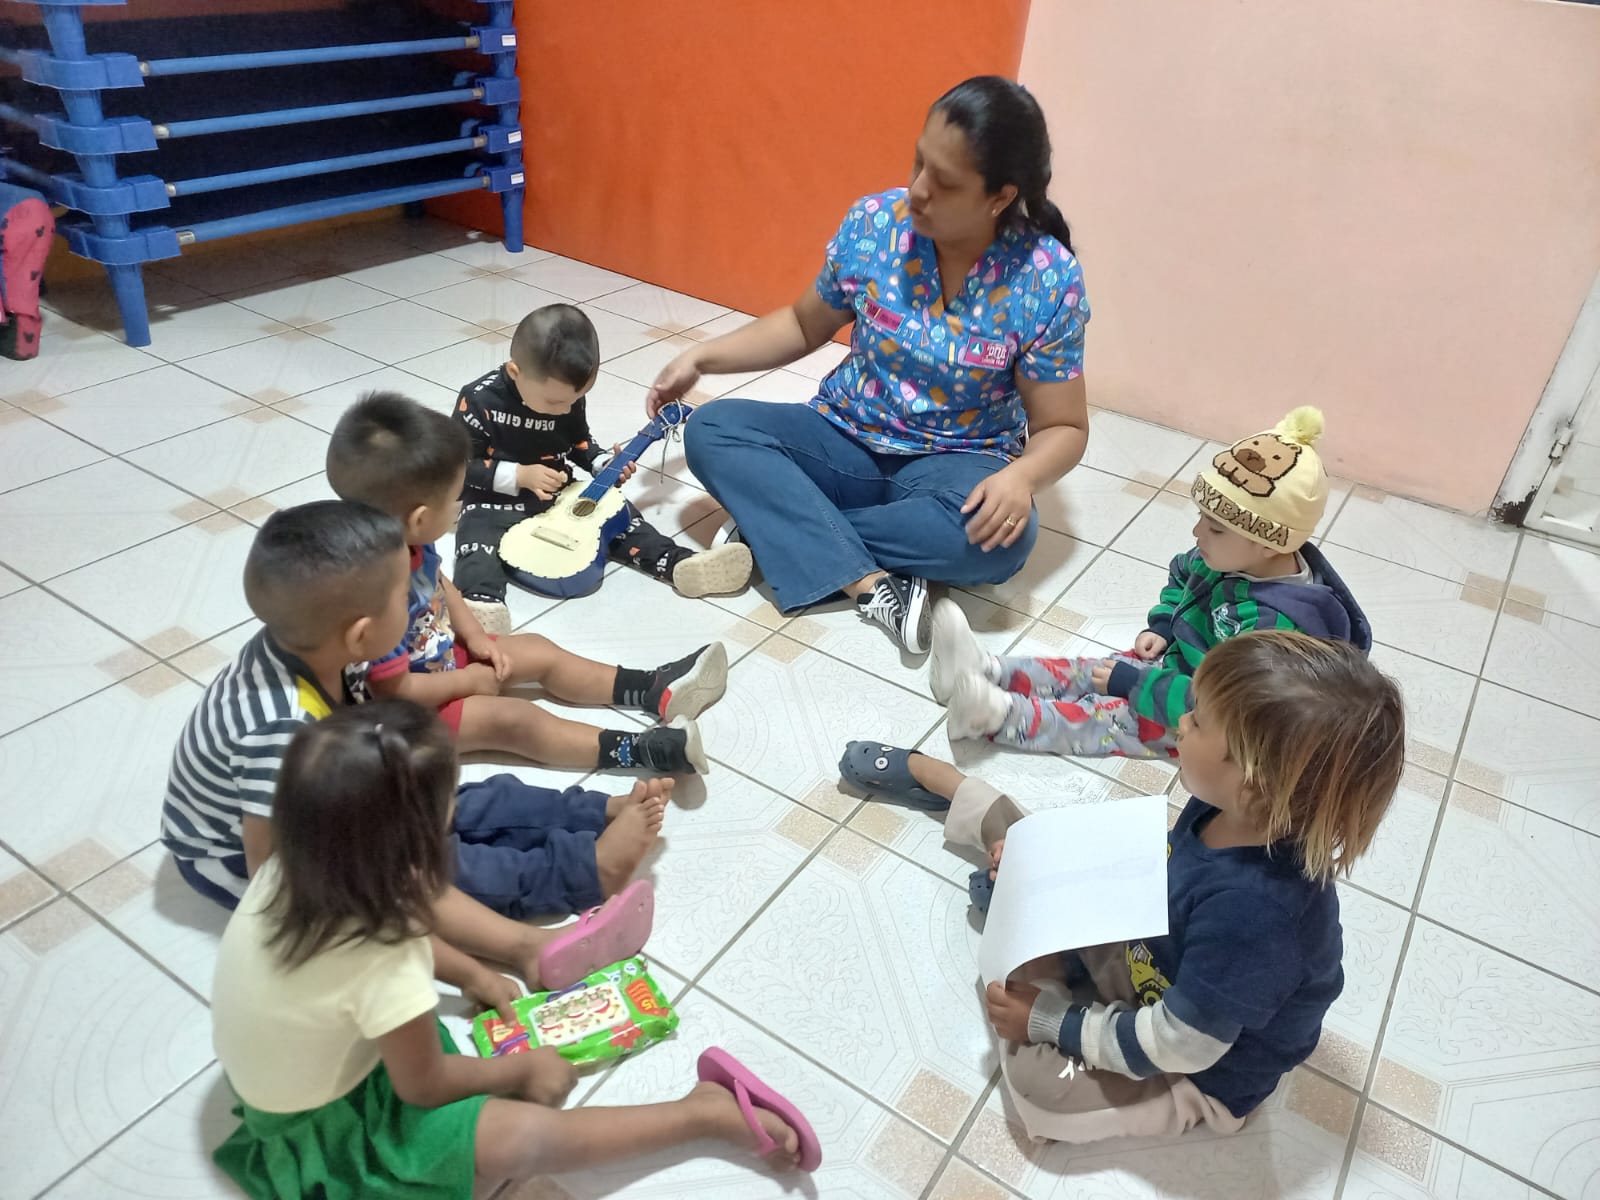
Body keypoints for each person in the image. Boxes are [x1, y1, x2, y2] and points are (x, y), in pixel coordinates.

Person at [211, 701, 823, 1199]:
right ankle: (702, 1114)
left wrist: (470, 973)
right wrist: (522, 1069)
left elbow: (399, 928)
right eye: (448, 811)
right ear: (414, 853)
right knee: (523, 1139)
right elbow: (424, 1083)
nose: (455, 815)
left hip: (301, 1079)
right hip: (330, 1129)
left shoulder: (296, 871)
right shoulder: (380, 954)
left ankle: (528, 956)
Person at [646, 76, 1091, 654]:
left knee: (1006, 539)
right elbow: (803, 324)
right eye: (919, 162)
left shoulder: (1045, 277)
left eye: (945, 181)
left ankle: (774, 530)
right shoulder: (876, 224)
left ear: (999, 197)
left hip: (955, 463)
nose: (918, 190)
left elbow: (1063, 426)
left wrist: (1021, 478)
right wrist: (702, 356)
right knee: (713, 429)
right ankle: (868, 579)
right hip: (842, 436)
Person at [158, 501, 652, 1001]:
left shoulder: (320, 643)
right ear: (362, 633)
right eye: (404, 597)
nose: (419, 604)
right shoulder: (280, 731)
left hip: (324, 799)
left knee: (459, 799)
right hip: (250, 856)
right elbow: (274, 877)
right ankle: (537, 934)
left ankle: (596, 812)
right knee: (416, 872)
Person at [951, 632, 1402, 1142]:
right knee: (1045, 874)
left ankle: (1044, 977)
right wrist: (1052, 866)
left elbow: (1180, 1044)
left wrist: (1050, 1020)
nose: (1181, 722)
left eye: (1199, 720)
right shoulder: (1227, 806)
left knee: (1042, 1089)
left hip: (1197, 1072)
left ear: (1254, 785)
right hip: (1154, 962)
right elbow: (1162, 871)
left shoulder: (1255, 916)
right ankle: (1039, 947)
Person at [838, 408, 1369, 800]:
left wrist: (1135, 686)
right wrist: (1164, 624)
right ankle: (986, 671)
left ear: (1270, 543)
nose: (1197, 534)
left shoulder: (1275, 631)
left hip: (1199, 717)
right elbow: (1184, 574)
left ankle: (994, 716)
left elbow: (1224, 709)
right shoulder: (1230, 558)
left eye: (1214, 528)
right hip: (1174, 666)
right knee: (1088, 669)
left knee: (1104, 718)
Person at [327, 391, 727, 775]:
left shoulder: (407, 542)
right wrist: (466, 681)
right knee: (516, 720)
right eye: (453, 500)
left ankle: (654, 688)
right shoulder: (375, 597)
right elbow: (394, 690)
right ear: (419, 518)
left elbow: (440, 585)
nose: (459, 507)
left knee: (538, 650)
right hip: (405, 719)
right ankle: (645, 750)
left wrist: (475, 637)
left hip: (438, 659)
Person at [454, 303, 752, 635]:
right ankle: (481, 602)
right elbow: (455, 468)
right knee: (475, 538)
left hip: (557, 494)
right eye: (555, 403)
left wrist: (602, 463)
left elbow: (578, 441)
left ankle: (680, 564)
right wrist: (519, 475)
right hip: (493, 499)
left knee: (621, 517)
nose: (565, 409)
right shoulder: (478, 400)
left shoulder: (567, 396)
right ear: (515, 372)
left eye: (575, 400)